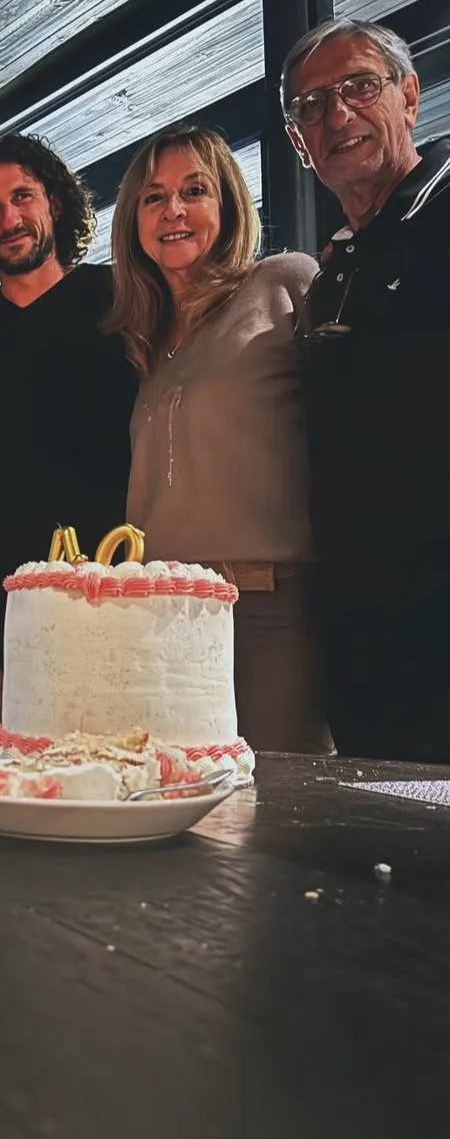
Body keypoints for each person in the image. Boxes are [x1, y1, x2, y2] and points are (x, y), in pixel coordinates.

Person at [107, 125, 326, 754]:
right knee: (181, 813)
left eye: (193, 190)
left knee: (286, 810)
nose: (173, 210)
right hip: (164, 618)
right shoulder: (144, 342)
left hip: (268, 610)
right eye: (153, 197)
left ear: (227, 204)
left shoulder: (283, 283)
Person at [282, 18, 450, 763]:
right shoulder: (332, 276)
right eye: (311, 105)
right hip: (361, 638)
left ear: (410, 96)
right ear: (298, 141)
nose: (337, 115)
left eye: (358, 87)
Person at [0, 134, 137, 659]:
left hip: (111, 578)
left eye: (22, 197)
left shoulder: (118, 296)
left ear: (53, 200)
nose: (10, 219)